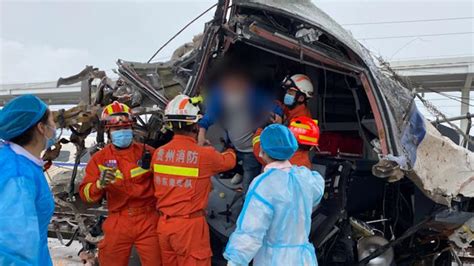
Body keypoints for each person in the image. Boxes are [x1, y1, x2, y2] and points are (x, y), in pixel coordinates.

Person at [224, 124, 325, 266]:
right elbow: (316, 194)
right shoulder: (306, 177)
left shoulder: (264, 184)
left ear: (263, 151)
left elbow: (251, 231)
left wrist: (235, 261)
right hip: (303, 259)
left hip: (274, 260)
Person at [153, 94, 237, 266]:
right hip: (189, 228)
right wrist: (230, 147)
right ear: (195, 125)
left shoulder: (159, 153)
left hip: (164, 226)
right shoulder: (204, 155)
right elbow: (229, 161)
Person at [79, 101, 161, 266]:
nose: (122, 132)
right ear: (108, 131)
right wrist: (98, 185)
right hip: (118, 220)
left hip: (149, 220)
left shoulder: (149, 153)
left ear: (132, 128)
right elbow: (85, 195)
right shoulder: (99, 159)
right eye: (117, 129)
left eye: (125, 128)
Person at [197, 64, 283, 192]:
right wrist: (202, 133)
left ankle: (246, 205)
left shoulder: (253, 93)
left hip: (251, 151)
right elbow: (211, 114)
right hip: (233, 146)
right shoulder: (219, 93)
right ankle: (239, 172)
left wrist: (278, 116)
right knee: (229, 168)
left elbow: (274, 108)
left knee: (249, 187)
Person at [0, 95, 56, 266]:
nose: (55, 127)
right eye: (52, 121)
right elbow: (14, 250)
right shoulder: (19, 175)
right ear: (41, 128)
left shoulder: (16, 160)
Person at [252, 116, 320, 168]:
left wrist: (261, 129)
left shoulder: (280, 156)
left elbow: (259, 151)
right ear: (311, 147)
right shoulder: (305, 164)